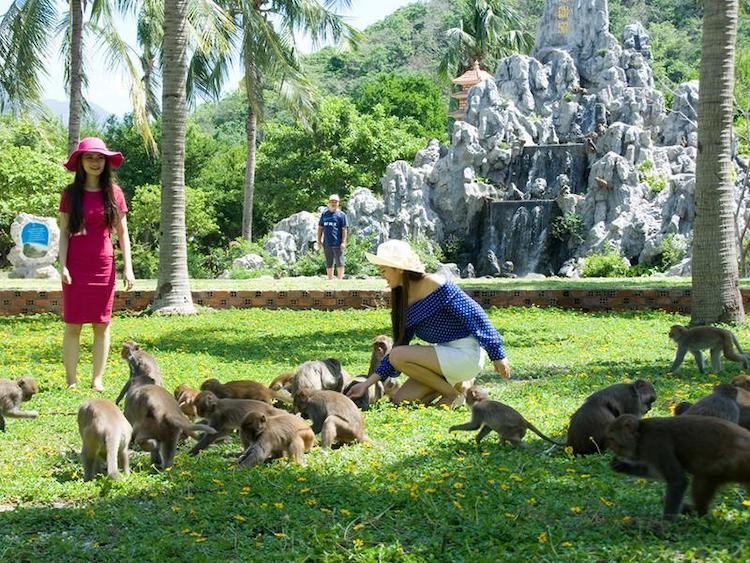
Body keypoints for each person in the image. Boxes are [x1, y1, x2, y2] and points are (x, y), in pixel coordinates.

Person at [347, 239, 510, 406]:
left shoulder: (436, 284)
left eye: (384, 270)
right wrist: (366, 384)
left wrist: (498, 354)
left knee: (398, 355)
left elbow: (476, 316)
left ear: (399, 269)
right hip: (445, 356)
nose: (382, 276)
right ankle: (461, 385)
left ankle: (451, 393)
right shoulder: (402, 300)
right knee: (401, 400)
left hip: (466, 353)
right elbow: (400, 345)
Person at [58, 137, 134, 391]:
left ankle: (97, 379)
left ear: (106, 162)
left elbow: (122, 233)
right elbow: (64, 233)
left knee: (102, 324)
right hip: (76, 267)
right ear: (80, 162)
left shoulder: (115, 193)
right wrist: (63, 266)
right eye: (90, 157)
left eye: (100, 157)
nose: (95, 162)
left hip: (104, 266)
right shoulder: (70, 195)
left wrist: (128, 267)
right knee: (73, 324)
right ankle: (71, 380)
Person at [317, 194, 348, 280]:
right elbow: (320, 228)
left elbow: (344, 229)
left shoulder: (342, 215)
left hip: (337, 242)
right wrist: (319, 241)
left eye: (335, 201)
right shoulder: (324, 214)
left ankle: (340, 279)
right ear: (329, 202)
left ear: (338, 203)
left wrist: (343, 242)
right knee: (329, 261)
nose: (333, 203)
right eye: (332, 201)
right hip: (327, 243)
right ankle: (330, 279)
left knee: (339, 261)